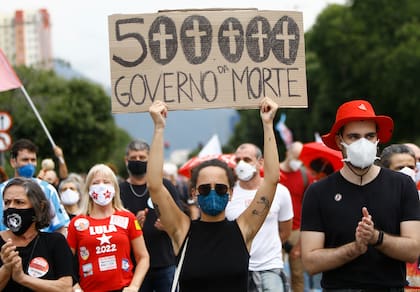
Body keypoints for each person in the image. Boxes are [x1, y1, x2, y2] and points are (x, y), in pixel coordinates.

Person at [147, 97, 279, 291]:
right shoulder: (182, 229)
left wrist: (268, 124)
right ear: (194, 193)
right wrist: (159, 128)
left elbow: (271, 180)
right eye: (204, 188)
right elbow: (155, 186)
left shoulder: (244, 229)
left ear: (231, 193)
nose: (212, 192)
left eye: (220, 188)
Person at [300, 99, 420, 290]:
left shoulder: (402, 185)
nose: (363, 143)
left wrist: (376, 238)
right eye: (354, 137)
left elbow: (413, 250)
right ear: (340, 141)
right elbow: (310, 263)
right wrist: (354, 249)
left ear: (377, 139)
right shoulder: (318, 192)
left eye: (370, 136)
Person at [67, 163, 150, 292]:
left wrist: (134, 286)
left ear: (115, 188)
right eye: (96, 182)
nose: (101, 186)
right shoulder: (77, 223)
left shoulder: (128, 218)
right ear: (88, 189)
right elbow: (64, 262)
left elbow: (143, 257)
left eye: (106, 182)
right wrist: (75, 286)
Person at [225, 143, 293, 292]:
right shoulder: (228, 194)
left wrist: (266, 248)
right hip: (238, 269)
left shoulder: (280, 192)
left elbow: (286, 231)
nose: (241, 164)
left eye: (247, 159)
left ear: (260, 162)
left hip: (271, 267)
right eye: (237, 160)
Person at [119, 140, 186, 292]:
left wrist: (168, 225)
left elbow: (180, 218)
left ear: (150, 160)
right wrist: (132, 226)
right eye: (133, 158)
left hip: (165, 261)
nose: (138, 161)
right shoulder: (119, 190)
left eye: (142, 158)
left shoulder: (165, 186)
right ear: (126, 160)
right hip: (134, 266)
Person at [0, 177, 74, 291]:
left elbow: (65, 287)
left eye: (19, 202)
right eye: (7, 202)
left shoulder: (55, 242)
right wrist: (7, 268)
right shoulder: (3, 246)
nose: (11, 207)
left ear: (40, 207)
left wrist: (22, 278)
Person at [0, 139, 70, 234]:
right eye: (25, 160)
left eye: (33, 160)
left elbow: (61, 226)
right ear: (13, 162)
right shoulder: (1, 190)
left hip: (41, 246)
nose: (30, 164)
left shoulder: (47, 189)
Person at [379, 144, 420, 290]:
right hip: (391, 282)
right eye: (400, 167)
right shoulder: (375, 203)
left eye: (411, 166)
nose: (407, 171)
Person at [279, 141, 314, 292]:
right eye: (295, 157)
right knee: (275, 274)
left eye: (301, 159)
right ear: (287, 153)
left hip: (296, 230)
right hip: (274, 230)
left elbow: (311, 208)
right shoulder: (271, 172)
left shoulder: (305, 176)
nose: (298, 162)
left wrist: (300, 244)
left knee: (298, 275)